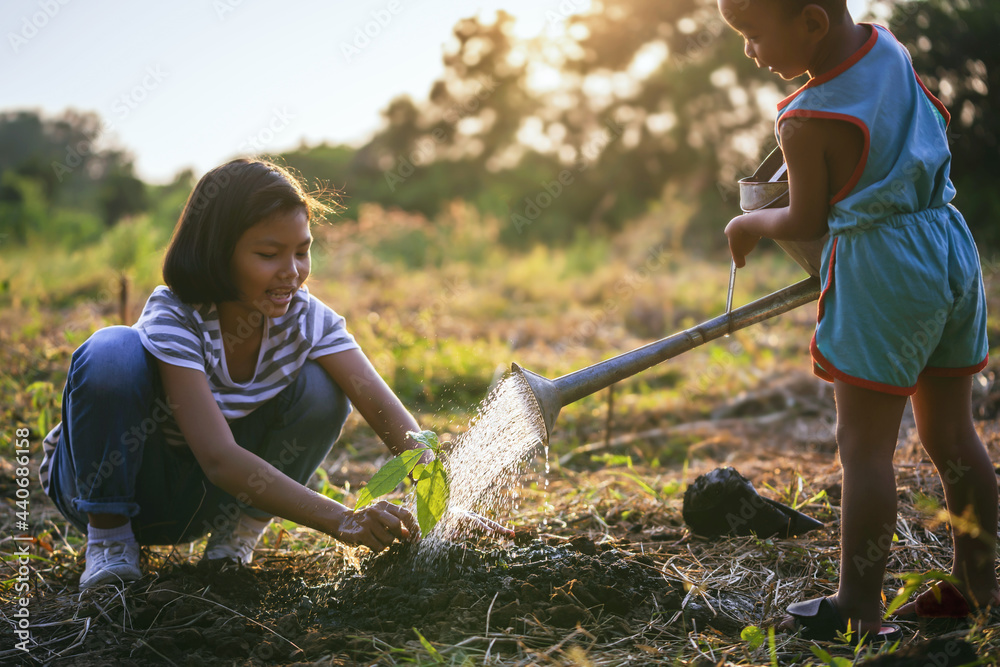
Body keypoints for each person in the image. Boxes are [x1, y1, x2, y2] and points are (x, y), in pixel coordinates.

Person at [718, 0, 999, 643]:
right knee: (954, 434)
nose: (751, 52)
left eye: (755, 35)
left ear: (812, 23)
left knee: (864, 450)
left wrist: (748, 223)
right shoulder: (887, 46)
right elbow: (912, 127)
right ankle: (979, 588)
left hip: (884, 270)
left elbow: (805, 221)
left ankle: (858, 607)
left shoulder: (805, 117)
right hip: (948, 245)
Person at [39, 158, 422, 589]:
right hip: (114, 484)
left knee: (324, 390)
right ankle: (109, 542)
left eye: (302, 250)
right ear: (217, 254)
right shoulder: (177, 316)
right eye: (268, 254)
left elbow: (386, 411)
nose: (292, 272)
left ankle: (234, 538)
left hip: (203, 503)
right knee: (112, 350)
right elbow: (217, 458)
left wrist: (443, 497)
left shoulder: (305, 317)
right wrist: (344, 520)